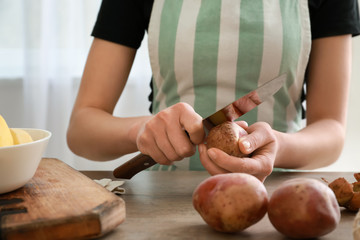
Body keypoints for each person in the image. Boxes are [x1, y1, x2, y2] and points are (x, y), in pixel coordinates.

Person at [67, 0, 360, 181]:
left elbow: (331, 130)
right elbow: (82, 132)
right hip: (164, 199)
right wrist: (143, 131)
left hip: (277, 202)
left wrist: (278, 147)